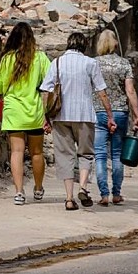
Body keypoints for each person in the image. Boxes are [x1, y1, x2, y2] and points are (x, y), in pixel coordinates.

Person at [40, 32, 116, 211]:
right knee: (86, 154)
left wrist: (46, 117)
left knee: (64, 156)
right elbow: (101, 92)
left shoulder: (56, 63)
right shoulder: (90, 63)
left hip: (60, 116)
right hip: (85, 116)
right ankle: (83, 187)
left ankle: (68, 198)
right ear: (84, 45)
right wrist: (110, 115)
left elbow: (45, 91)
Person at [0, 22, 51, 205]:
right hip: (34, 111)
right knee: (37, 152)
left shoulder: (6, 60)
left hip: (13, 111)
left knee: (16, 151)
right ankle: (38, 188)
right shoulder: (40, 58)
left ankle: (19, 192)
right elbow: (51, 81)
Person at [93, 29, 138, 206]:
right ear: (115, 44)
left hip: (98, 112)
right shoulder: (124, 64)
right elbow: (130, 91)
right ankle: (116, 193)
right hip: (120, 112)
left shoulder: (93, 64)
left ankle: (103, 194)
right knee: (116, 154)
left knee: (99, 155)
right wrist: (137, 115)